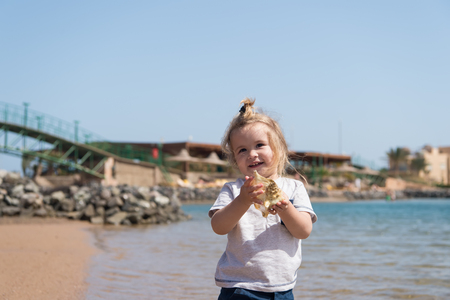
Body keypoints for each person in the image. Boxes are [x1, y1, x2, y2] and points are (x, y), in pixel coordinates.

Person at [209, 98, 317, 300]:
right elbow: (218, 226)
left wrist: (286, 208)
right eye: (242, 150)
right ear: (234, 158)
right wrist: (242, 201)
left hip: (281, 289)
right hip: (238, 287)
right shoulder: (234, 190)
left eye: (260, 145)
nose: (252, 154)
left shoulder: (294, 188)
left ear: (278, 148)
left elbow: (303, 230)